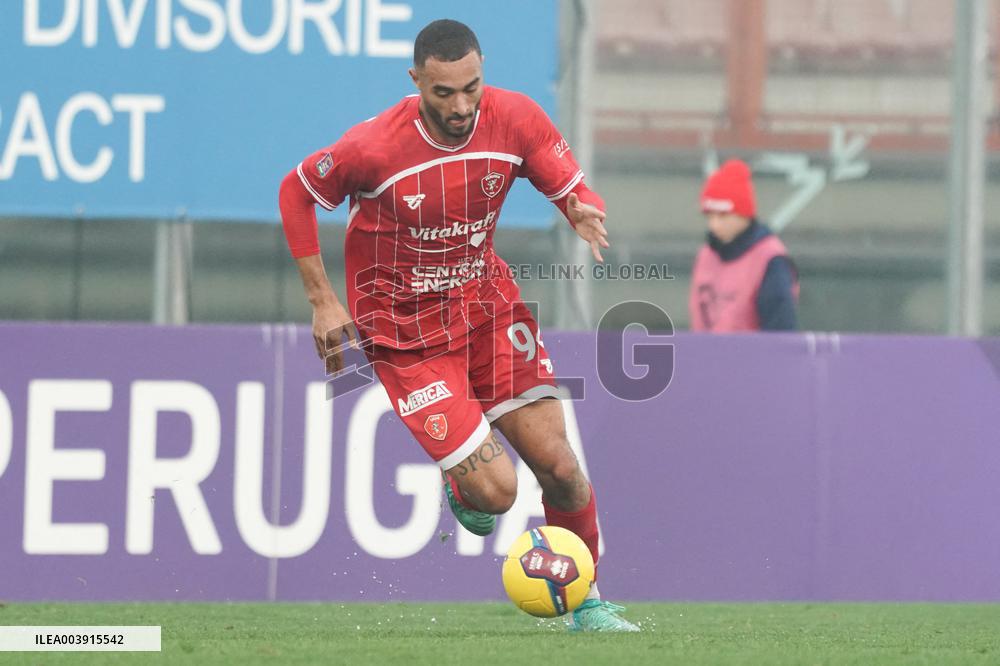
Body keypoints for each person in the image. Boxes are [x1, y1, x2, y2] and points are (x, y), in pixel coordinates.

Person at [278, 19, 638, 632]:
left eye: (471, 87)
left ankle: (587, 605)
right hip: (405, 336)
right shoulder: (374, 148)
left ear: (482, 71)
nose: (461, 105)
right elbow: (296, 190)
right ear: (416, 80)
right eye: (443, 93)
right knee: (496, 494)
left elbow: (568, 181)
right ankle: (464, 482)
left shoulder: (515, 116)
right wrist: (323, 300)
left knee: (561, 469)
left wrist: (580, 208)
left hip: (487, 311)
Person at [689, 159, 799, 332]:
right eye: (710, 216)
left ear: (744, 214)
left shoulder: (770, 260)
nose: (714, 225)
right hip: (707, 356)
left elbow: (779, 331)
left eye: (723, 216)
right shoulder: (706, 256)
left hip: (751, 358)